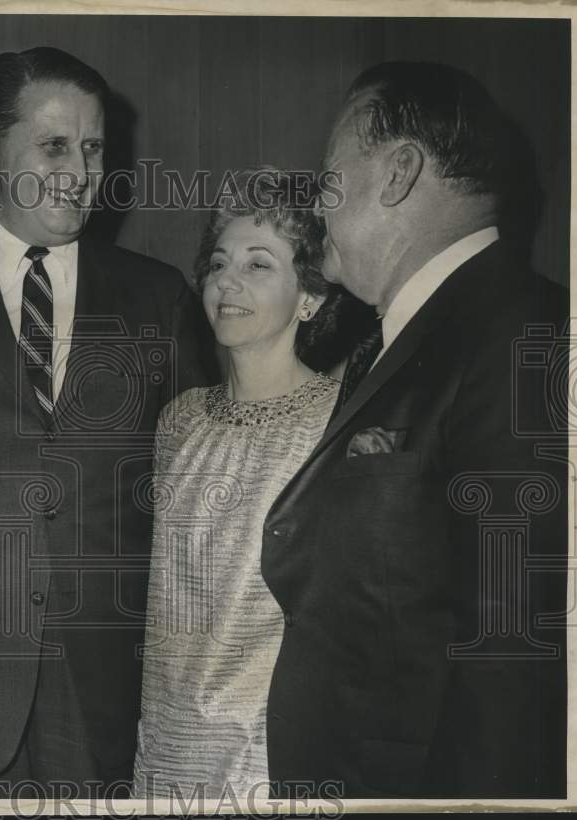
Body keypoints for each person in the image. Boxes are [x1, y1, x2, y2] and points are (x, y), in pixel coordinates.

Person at [0, 46, 216, 797]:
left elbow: (196, 499)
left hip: (109, 684)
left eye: (94, 147)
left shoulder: (157, 297)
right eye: (53, 146)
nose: (79, 171)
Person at [260, 62, 568, 798]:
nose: (316, 202)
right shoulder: (405, 334)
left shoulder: (523, 336)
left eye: (329, 175)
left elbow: (512, 648)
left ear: (397, 173)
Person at [131, 167, 367, 805]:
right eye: (218, 263)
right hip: (165, 745)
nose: (227, 281)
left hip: (269, 758)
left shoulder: (338, 421)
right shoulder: (178, 419)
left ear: (311, 295)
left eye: (259, 265)